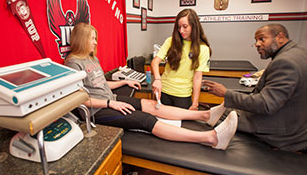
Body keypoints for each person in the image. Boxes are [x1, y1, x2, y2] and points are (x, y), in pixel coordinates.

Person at [64, 22, 237, 150]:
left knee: (152, 105)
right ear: (82, 39)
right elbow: (80, 99)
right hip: (96, 111)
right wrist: (110, 104)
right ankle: (211, 138)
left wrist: (123, 82)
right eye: (93, 39)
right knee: (146, 119)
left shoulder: (92, 59)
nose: (95, 42)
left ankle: (206, 115)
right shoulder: (73, 63)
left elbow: (100, 84)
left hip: (110, 99)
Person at [203, 24, 307, 152]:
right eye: (256, 40)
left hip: (281, 134)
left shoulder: (285, 62)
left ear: (280, 37)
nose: (257, 44)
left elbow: (266, 104)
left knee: (221, 120)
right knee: (225, 112)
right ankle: (208, 114)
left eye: (262, 39)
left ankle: (209, 131)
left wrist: (226, 93)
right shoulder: (300, 53)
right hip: (295, 125)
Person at [151, 9, 211, 110]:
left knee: (180, 124)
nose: (181, 31)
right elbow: (155, 62)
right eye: (179, 27)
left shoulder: (203, 49)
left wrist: (195, 103)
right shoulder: (170, 41)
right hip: (164, 91)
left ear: (194, 26)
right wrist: (157, 79)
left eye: (185, 26)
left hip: (183, 95)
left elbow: (197, 78)